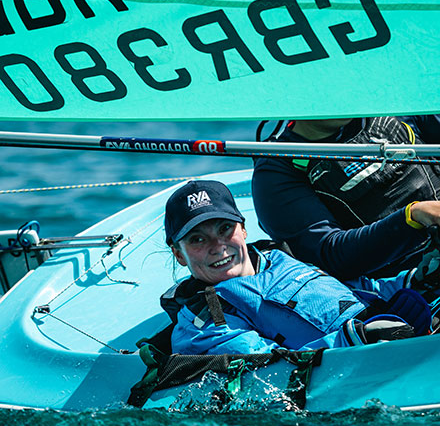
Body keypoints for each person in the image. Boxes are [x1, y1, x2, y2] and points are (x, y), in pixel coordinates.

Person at [160, 179, 431, 356]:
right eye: (197, 239)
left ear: (243, 229)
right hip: (364, 377)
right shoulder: (203, 324)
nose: (217, 246)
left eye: (225, 228)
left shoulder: (279, 257)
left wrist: (416, 281)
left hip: (400, 344)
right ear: (179, 255)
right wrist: (354, 339)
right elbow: (269, 370)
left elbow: (354, 292)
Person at [252, 115, 440, 281]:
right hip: (407, 286)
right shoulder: (275, 171)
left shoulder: (396, 105)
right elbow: (330, 257)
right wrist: (415, 216)